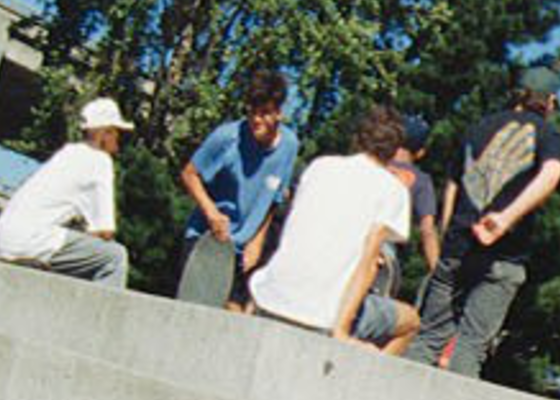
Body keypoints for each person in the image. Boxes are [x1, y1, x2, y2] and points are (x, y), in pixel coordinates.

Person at [417, 64, 560, 377]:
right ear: (549, 101)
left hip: (458, 248)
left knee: (428, 338)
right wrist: (505, 218)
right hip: (502, 254)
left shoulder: (476, 129)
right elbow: (552, 173)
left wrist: (450, 238)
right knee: (471, 345)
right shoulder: (546, 134)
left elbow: (453, 186)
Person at [243, 105, 426, 352]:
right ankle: (357, 384)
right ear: (394, 150)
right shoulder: (392, 190)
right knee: (410, 322)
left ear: (356, 139)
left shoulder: (320, 166)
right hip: (321, 314)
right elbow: (368, 263)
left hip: (268, 295)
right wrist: (340, 329)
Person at [177, 66, 296, 309]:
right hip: (207, 240)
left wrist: (257, 241)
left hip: (243, 247)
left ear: (279, 114)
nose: (256, 120)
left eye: (264, 113)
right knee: (197, 313)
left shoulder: (290, 146)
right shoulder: (227, 137)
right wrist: (211, 212)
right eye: (252, 112)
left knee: (235, 315)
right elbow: (189, 174)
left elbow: (274, 200)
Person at [0, 97, 131, 284]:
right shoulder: (100, 161)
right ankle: (95, 313)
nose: (119, 141)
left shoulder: (68, 153)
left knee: (80, 252)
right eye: (117, 133)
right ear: (105, 133)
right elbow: (105, 232)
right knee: (115, 256)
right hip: (29, 242)